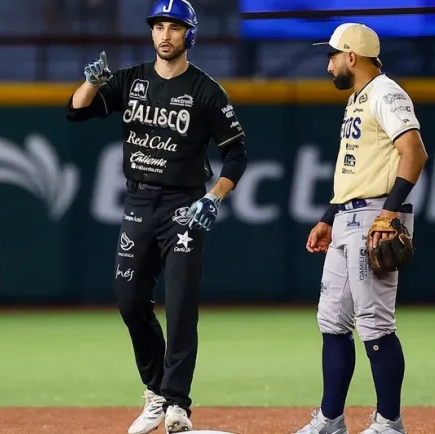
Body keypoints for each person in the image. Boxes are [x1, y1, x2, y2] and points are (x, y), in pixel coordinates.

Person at [65, 1, 248, 433]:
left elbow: (236, 154)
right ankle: (156, 392)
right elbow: (76, 110)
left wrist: (215, 197)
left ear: (190, 34)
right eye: (159, 26)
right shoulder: (131, 80)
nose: (165, 34)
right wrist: (91, 84)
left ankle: (177, 405)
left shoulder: (206, 91)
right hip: (139, 201)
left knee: (181, 305)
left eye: (175, 27)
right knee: (129, 299)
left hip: (185, 205)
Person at [295, 23, 428, 434]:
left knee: (374, 323)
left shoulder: (386, 93)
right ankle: (330, 419)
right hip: (347, 217)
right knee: (332, 321)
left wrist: (388, 215)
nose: (329, 63)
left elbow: (414, 152)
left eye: (333, 55)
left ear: (352, 56)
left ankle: (389, 422)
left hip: (375, 217)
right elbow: (356, 170)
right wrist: (327, 217)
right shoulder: (358, 99)